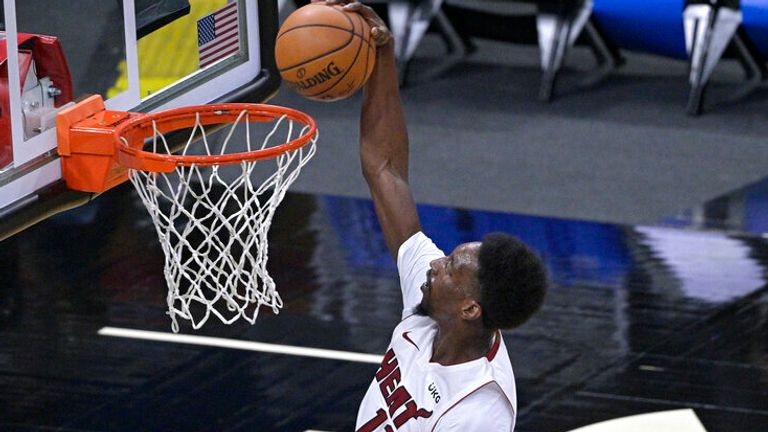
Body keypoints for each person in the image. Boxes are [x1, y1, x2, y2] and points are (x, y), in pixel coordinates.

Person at [315, 2, 549, 430]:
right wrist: (382, 57)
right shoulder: (433, 304)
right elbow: (384, 169)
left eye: (450, 268)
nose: (435, 263)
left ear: (470, 308)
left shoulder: (480, 409)